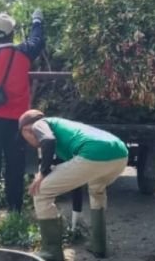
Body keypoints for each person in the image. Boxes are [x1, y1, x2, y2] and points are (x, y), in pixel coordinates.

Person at [19, 109, 129, 260]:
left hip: (93, 154)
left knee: (41, 191)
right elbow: (76, 178)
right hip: (120, 154)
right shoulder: (64, 129)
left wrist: (43, 174)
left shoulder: (39, 124)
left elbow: (48, 140)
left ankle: (52, 252)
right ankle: (98, 245)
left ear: (26, 130)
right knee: (96, 190)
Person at [0, 9, 46, 225]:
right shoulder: (24, 52)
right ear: (12, 33)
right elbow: (37, 40)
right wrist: (36, 20)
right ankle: (15, 210)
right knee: (16, 165)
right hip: (19, 122)